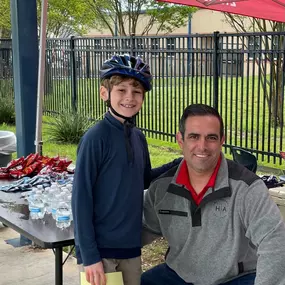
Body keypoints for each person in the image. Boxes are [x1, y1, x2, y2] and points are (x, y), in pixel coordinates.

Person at [142, 103, 285, 285]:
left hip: (236, 278)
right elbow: (143, 228)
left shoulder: (247, 188)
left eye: (211, 137)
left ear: (221, 140)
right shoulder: (161, 188)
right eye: (194, 136)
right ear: (180, 139)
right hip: (179, 275)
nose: (202, 146)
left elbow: (275, 241)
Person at [71, 54, 181, 285]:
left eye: (137, 92)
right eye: (121, 90)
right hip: (101, 252)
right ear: (104, 93)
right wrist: (89, 256)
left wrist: (179, 163)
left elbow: (144, 180)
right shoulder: (95, 138)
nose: (129, 98)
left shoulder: (138, 137)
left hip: (130, 246)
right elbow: (81, 199)